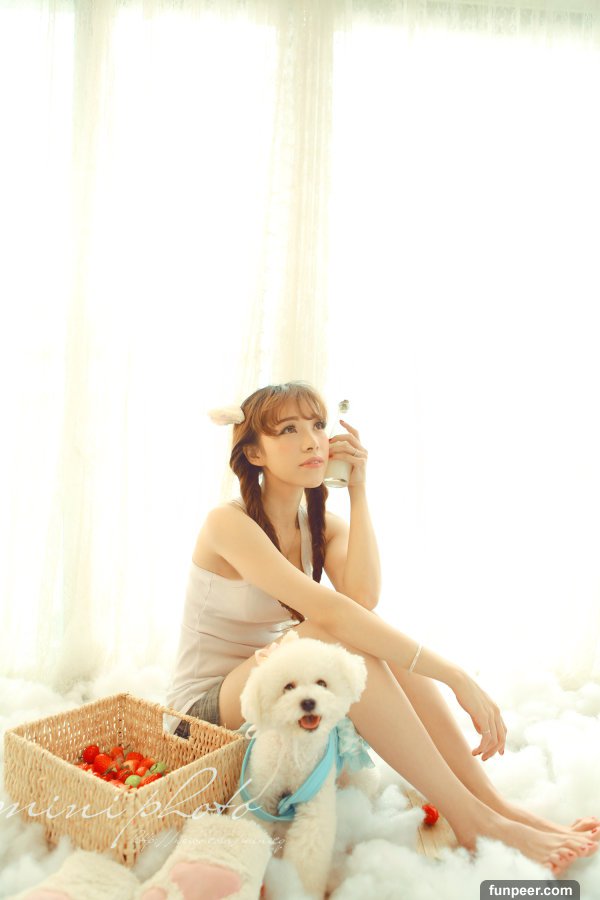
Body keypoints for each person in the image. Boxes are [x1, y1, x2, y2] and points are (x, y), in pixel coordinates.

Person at [166, 381, 599, 877]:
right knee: (334, 635)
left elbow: (362, 599)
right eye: (288, 430)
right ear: (254, 453)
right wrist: (455, 676)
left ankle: (493, 805)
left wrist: (358, 490)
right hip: (201, 716)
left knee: (359, 633)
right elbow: (334, 617)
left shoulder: (320, 525)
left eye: (318, 425)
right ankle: (472, 820)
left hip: (277, 693)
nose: (311, 441)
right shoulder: (226, 523)